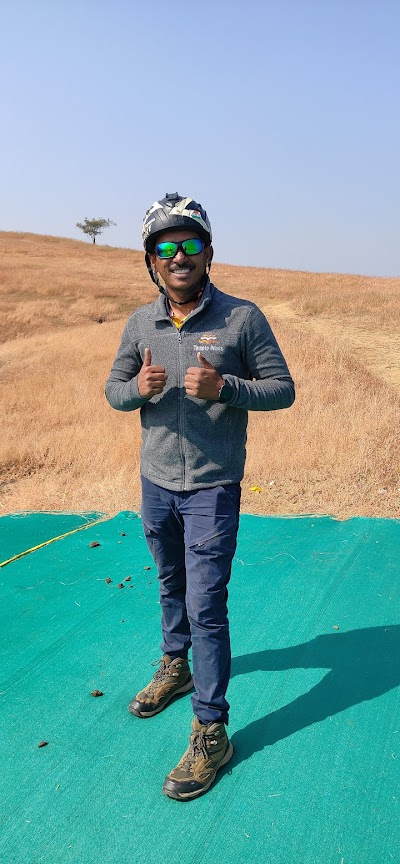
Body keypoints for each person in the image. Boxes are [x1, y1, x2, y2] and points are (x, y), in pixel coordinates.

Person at [105, 193, 295, 801]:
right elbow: (113, 391)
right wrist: (137, 388)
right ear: (151, 261)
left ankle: (211, 731)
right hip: (156, 482)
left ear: (209, 253)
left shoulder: (241, 318)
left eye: (190, 243)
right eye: (165, 247)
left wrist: (226, 387)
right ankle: (175, 665)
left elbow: (282, 389)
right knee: (170, 584)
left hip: (212, 487)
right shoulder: (142, 324)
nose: (178, 255)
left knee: (206, 604)